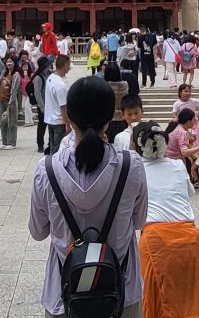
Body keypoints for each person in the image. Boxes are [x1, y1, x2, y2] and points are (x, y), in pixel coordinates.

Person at [29, 75, 148, 318]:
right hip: (121, 293)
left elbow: (38, 231)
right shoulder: (131, 166)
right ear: (111, 117)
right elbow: (138, 222)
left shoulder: (47, 169)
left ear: (69, 117)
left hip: (66, 294)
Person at [133, 121, 199, 318]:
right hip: (191, 237)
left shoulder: (134, 170)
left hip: (155, 242)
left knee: (163, 304)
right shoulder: (178, 165)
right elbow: (189, 193)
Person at [165, 108, 199, 184]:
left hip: (168, 156)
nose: (194, 122)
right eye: (193, 119)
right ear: (188, 121)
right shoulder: (182, 132)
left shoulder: (178, 127)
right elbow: (184, 152)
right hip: (173, 159)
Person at [44, 55, 71, 155]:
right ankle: (54, 168)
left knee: (53, 147)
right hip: (59, 121)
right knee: (58, 150)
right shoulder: (60, 85)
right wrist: (67, 123)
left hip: (50, 119)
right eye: (69, 64)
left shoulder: (50, 78)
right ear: (65, 64)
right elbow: (63, 106)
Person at [0, 57, 21, 150]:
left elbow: (15, 90)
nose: (9, 63)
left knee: (12, 121)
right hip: (1, 98)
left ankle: (11, 142)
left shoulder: (16, 75)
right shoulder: (3, 73)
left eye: (11, 61)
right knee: (3, 120)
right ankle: (4, 141)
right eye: (8, 61)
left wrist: (11, 102)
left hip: (10, 100)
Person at [31, 55, 51, 153]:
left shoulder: (49, 75)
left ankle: (50, 144)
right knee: (42, 126)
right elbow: (37, 93)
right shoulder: (38, 77)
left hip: (50, 105)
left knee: (51, 126)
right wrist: (41, 106)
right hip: (43, 106)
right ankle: (40, 144)